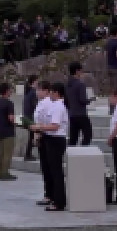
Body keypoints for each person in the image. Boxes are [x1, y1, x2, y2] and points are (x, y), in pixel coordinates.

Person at [30, 82, 69, 212]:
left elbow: (55, 126)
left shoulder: (58, 106)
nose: (50, 94)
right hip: (50, 138)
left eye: (51, 92)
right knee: (52, 170)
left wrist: (39, 127)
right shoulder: (54, 105)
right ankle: (54, 198)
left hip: (56, 139)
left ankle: (59, 202)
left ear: (57, 93)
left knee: (56, 172)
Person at [33, 81, 53, 205]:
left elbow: (40, 120)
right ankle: (50, 193)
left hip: (45, 134)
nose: (37, 92)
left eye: (39, 89)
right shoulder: (45, 103)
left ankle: (49, 194)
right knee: (47, 167)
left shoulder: (46, 103)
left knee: (47, 167)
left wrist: (37, 133)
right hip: (44, 133)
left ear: (46, 91)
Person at [0, 82, 17, 180]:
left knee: (1, 152)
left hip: (0, 130)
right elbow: (11, 118)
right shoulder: (9, 103)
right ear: (7, 91)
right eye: (10, 89)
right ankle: (5, 173)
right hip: (8, 131)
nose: (11, 91)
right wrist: (20, 121)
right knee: (8, 153)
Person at [67, 62, 93, 146]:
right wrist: (90, 100)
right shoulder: (80, 84)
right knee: (88, 134)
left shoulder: (67, 84)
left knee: (73, 137)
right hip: (81, 114)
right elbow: (82, 100)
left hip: (71, 114)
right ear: (77, 71)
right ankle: (83, 150)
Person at [22, 75, 39, 161]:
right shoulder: (32, 92)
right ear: (34, 81)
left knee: (32, 136)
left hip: (26, 117)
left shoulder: (27, 92)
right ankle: (28, 154)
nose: (38, 83)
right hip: (31, 117)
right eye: (37, 81)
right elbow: (35, 105)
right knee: (33, 136)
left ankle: (28, 153)